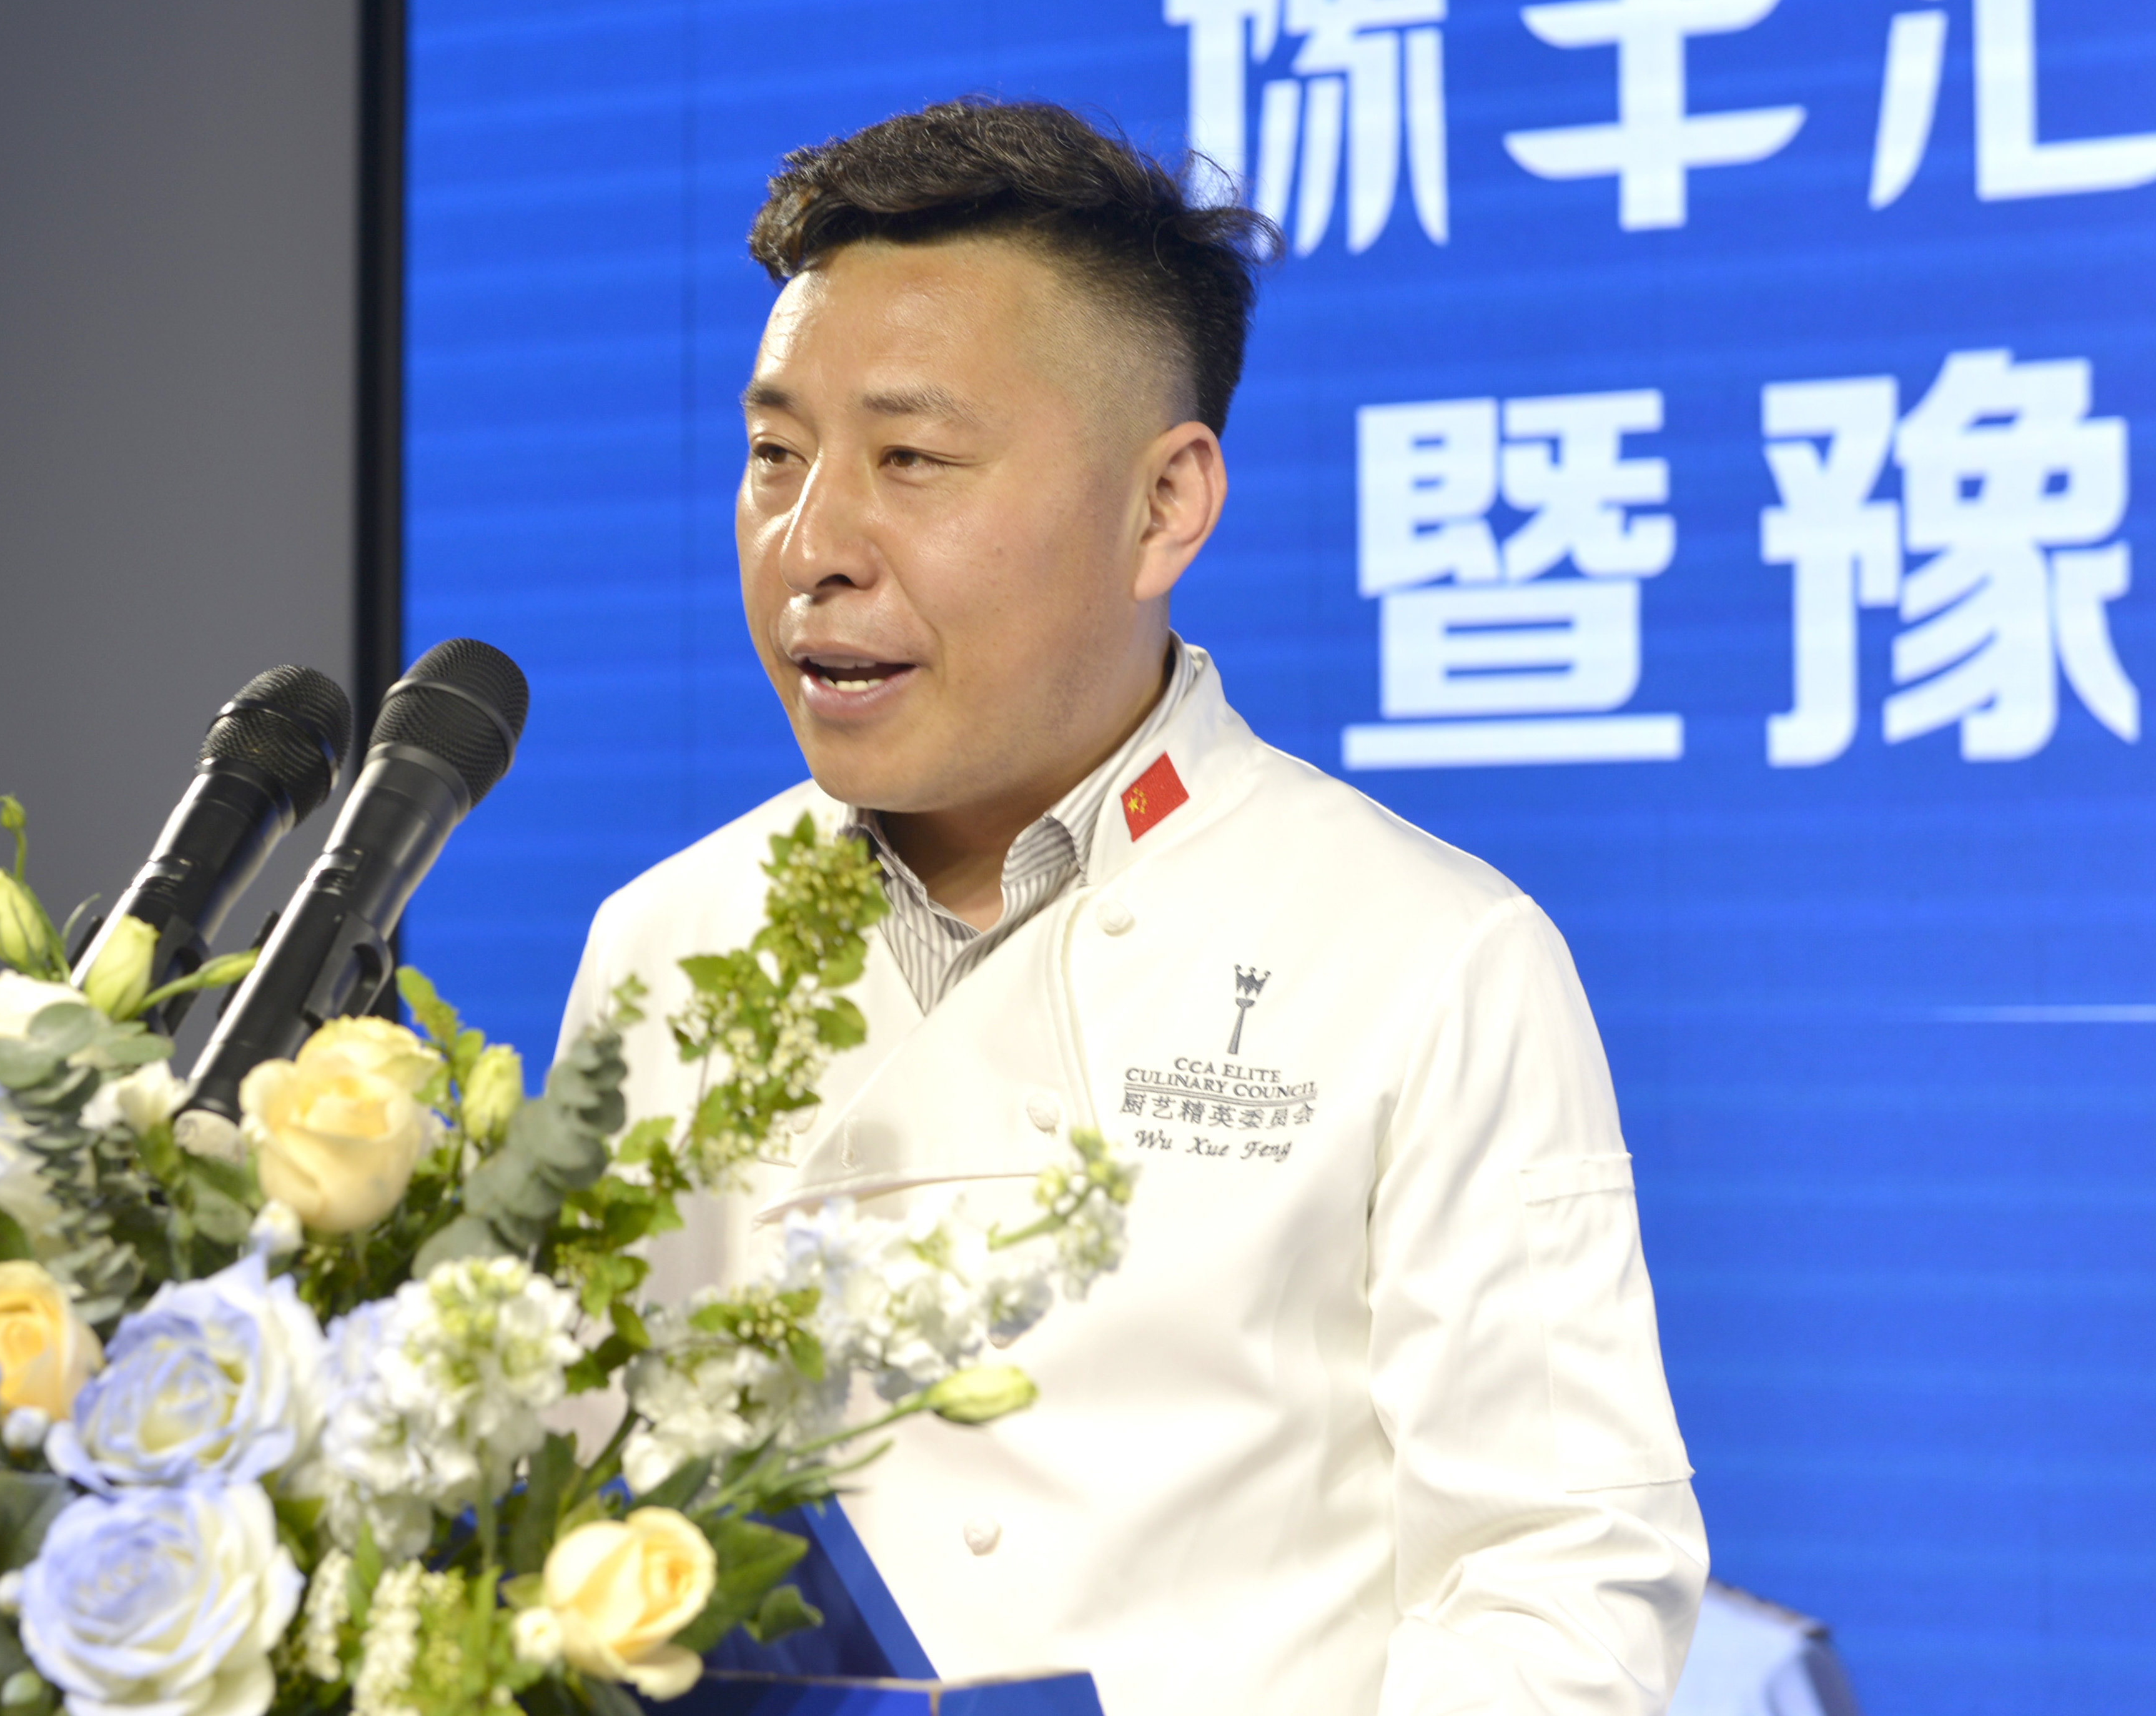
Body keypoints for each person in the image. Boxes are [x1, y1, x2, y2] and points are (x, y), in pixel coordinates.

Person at [555, 99, 1705, 1714]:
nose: (811, 547)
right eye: (775, 457)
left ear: (1166, 505)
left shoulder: (1432, 956)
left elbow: (1560, 1583)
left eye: (911, 460)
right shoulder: (664, 940)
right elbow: (561, 1518)